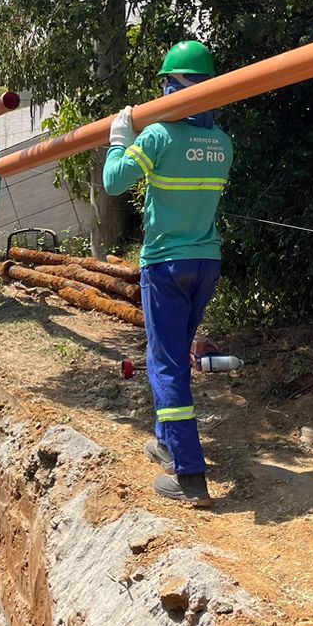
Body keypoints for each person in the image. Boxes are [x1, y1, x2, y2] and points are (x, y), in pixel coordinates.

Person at [102, 40, 232, 507]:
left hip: (164, 264)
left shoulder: (157, 137)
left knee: (167, 364)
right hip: (206, 264)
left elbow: (115, 180)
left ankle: (190, 475)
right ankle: (165, 441)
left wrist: (120, 140)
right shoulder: (222, 143)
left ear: (173, 85)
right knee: (176, 353)